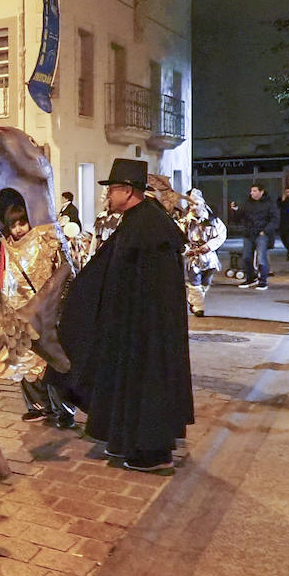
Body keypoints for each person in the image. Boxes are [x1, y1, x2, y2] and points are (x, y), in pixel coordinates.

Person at [55, 159, 192, 474]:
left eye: (112, 189)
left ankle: (153, 453)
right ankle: (129, 441)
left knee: (148, 386)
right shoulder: (140, 220)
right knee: (132, 385)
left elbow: (143, 285)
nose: (107, 196)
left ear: (128, 191)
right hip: (137, 327)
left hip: (145, 331)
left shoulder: (146, 225)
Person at [0, 203, 75, 428]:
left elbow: (65, 272)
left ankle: (64, 409)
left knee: (51, 362)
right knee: (25, 362)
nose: (18, 229)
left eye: (22, 223)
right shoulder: (7, 248)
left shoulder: (44, 241)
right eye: (13, 225)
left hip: (46, 313)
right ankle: (38, 406)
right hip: (19, 314)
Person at [180, 189, 227, 317]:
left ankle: (193, 300)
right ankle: (198, 307)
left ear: (203, 204)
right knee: (195, 280)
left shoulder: (213, 220)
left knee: (206, 281)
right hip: (193, 256)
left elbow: (221, 235)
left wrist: (209, 246)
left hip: (208, 255)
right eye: (191, 205)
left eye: (196, 204)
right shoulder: (185, 221)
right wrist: (186, 249)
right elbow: (178, 236)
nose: (194, 207)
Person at [229, 184, 279, 289]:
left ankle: (263, 280)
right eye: (251, 191)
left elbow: (274, 219)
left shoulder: (269, 204)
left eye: (255, 191)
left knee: (261, 258)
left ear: (261, 192)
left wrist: (265, 231)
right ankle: (250, 278)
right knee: (246, 257)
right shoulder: (247, 203)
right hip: (249, 233)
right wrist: (234, 211)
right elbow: (239, 217)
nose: (252, 193)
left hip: (262, 234)